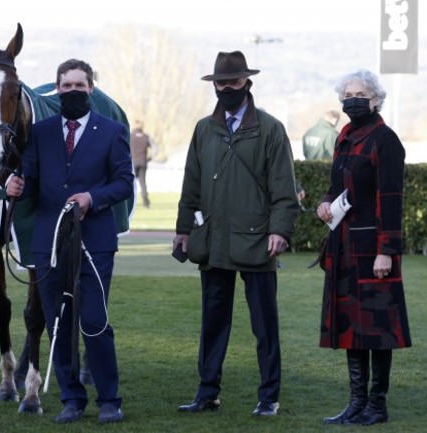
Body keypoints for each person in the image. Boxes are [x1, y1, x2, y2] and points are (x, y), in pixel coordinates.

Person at [6, 58, 134, 424]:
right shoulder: (41, 132)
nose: (74, 91)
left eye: (80, 86)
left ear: (91, 88)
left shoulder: (111, 130)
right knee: (58, 323)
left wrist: (92, 198)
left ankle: (109, 400)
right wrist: (15, 186)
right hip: (48, 243)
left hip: (94, 241)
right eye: (67, 86)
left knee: (94, 321)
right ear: (57, 89)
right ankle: (71, 400)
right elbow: (28, 181)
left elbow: (125, 182)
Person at [173, 51, 299, 417]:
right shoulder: (203, 128)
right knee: (212, 324)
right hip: (212, 241)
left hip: (258, 240)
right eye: (221, 82)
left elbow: (284, 189)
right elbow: (191, 183)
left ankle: (269, 396)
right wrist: (183, 230)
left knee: (265, 325)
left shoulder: (271, 129)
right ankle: (207, 392)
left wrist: (280, 230)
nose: (226, 88)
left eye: (232, 82)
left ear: (247, 83)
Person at [316, 69, 411, 426]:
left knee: (377, 330)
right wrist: (324, 204)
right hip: (344, 247)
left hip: (373, 251)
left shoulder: (384, 139)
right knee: (352, 330)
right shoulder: (344, 138)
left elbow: (391, 199)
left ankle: (377, 405)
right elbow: (335, 187)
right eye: (348, 94)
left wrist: (387, 250)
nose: (352, 99)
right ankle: (356, 403)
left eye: (360, 94)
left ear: (375, 99)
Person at [129, 119, 156, 208]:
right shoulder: (146, 137)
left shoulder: (130, 136)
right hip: (143, 162)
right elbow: (155, 149)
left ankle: (130, 203)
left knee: (130, 183)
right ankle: (146, 203)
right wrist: (150, 158)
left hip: (132, 162)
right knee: (143, 183)